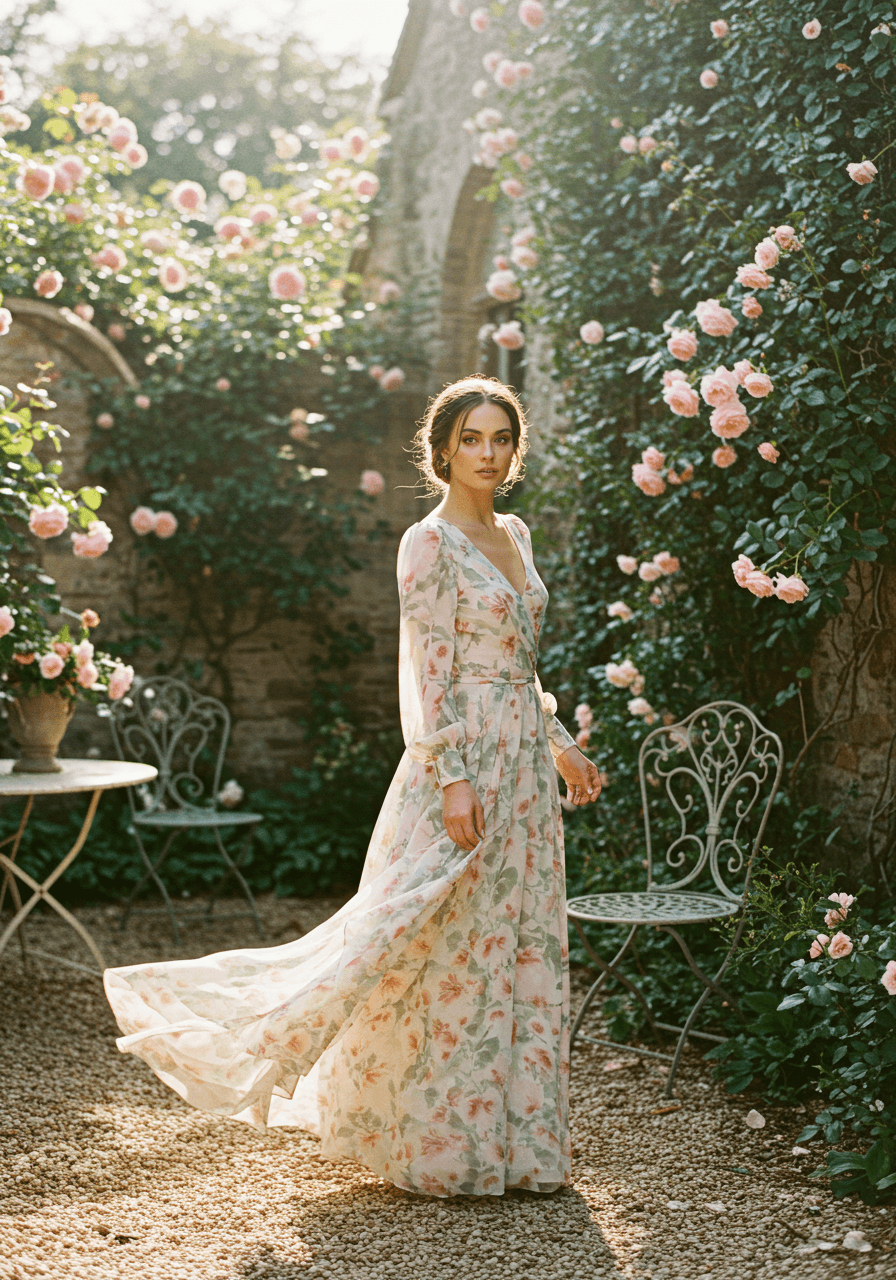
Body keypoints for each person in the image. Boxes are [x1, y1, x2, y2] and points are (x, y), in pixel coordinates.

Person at [104, 375, 601, 1198]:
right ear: (441, 449)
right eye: (470, 438)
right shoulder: (428, 541)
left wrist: (559, 746)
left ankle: (518, 1146)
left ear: (515, 451)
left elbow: (521, 666)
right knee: (432, 945)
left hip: (522, 769)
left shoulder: (515, 532)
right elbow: (429, 669)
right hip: (464, 764)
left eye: (500, 439)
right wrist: (450, 779)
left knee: (516, 949)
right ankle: (440, 1146)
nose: (485, 453)